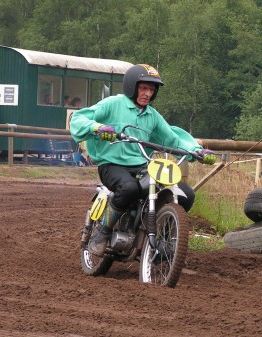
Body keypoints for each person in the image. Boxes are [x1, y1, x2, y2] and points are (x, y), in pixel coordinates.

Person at [70, 64, 216, 256]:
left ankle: (160, 238)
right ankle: (102, 231)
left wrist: (197, 151)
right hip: (111, 165)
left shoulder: (152, 116)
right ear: (132, 86)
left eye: (151, 90)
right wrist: (97, 128)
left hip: (141, 165)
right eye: (144, 88)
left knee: (185, 193)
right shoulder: (113, 104)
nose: (148, 94)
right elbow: (79, 118)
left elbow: (173, 138)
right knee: (129, 188)